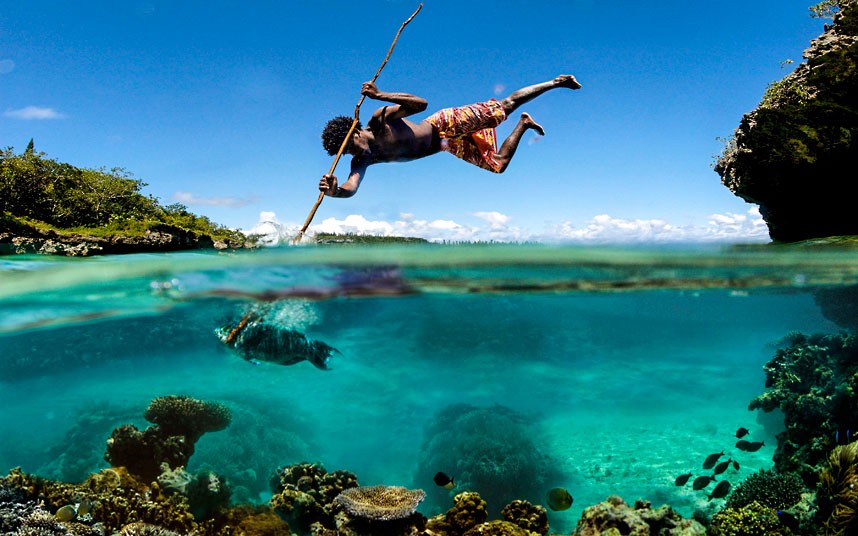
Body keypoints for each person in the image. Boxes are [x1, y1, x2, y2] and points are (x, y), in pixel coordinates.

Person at [318, 74, 582, 198]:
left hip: (445, 124)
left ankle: (555, 83)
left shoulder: (379, 121)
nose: (353, 153)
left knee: (505, 107)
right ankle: (524, 124)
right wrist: (335, 191)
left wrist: (380, 95)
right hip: (447, 144)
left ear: (355, 131)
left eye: (351, 146)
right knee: (498, 165)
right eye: (346, 153)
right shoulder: (362, 159)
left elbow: (421, 104)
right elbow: (351, 187)